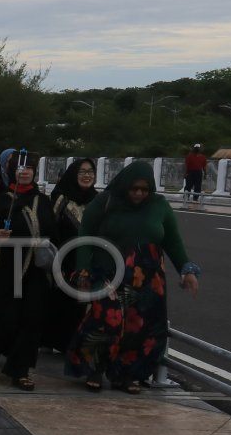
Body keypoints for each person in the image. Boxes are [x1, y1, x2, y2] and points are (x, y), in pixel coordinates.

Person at [67, 161, 200, 394]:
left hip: (147, 278)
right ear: (125, 185)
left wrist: (186, 270)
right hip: (108, 271)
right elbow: (85, 234)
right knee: (107, 321)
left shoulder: (159, 206)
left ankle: (127, 375)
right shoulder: (105, 202)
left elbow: (173, 242)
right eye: (134, 189)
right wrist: (83, 270)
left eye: (144, 189)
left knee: (140, 327)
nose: (139, 193)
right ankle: (95, 369)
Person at [0, 149, 56, 390]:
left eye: (29, 168)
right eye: (20, 168)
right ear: (12, 171)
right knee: (6, 316)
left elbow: (53, 231)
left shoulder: (43, 201)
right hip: (7, 266)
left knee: (32, 318)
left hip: (36, 268)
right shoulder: (1, 199)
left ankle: (20, 369)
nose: (24, 172)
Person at [42, 158, 99, 352]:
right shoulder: (61, 197)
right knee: (63, 303)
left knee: (85, 305)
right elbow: (50, 227)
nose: (87, 175)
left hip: (89, 260)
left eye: (90, 171)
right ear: (73, 174)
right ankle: (58, 342)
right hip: (64, 260)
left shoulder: (97, 200)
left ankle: (77, 346)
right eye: (82, 171)